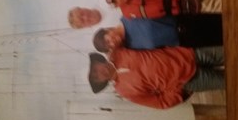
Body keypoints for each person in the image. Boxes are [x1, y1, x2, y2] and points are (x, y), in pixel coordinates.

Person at [88, 46, 225, 109]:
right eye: (96, 77)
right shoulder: (124, 91)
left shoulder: (119, 50)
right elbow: (159, 102)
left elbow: (147, 35)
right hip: (190, 81)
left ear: (98, 61)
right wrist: (178, 91)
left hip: (189, 54)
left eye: (95, 69)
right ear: (101, 83)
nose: (100, 73)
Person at [93, 14, 223, 52]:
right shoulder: (131, 48)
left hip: (186, 20)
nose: (112, 43)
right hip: (186, 41)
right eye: (109, 47)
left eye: (107, 40)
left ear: (106, 30)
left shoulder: (128, 16)